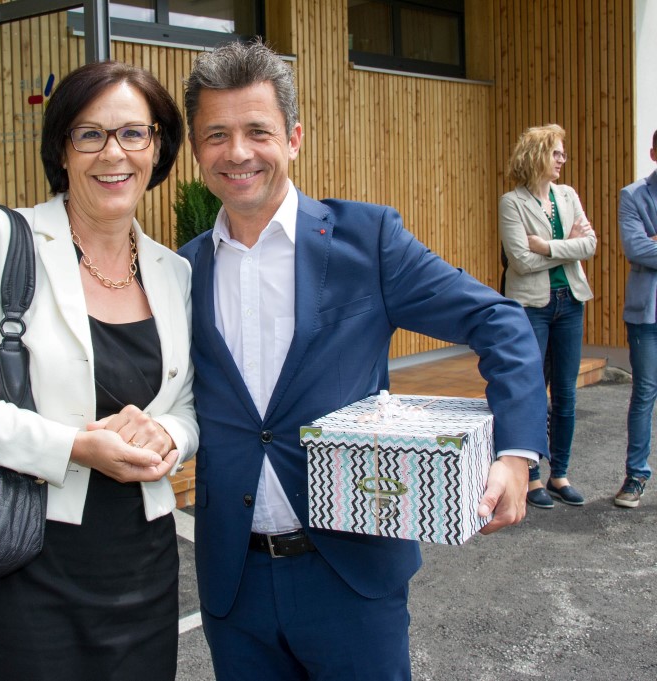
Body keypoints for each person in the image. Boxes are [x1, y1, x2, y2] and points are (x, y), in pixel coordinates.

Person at [177, 40, 547, 680]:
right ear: (196, 148)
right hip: (233, 585)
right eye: (217, 135)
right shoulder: (182, 270)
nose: (237, 152)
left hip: (350, 576)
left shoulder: (366, 242)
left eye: (257, 131)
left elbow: (499, 321)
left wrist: (516, 454)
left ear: (294, 139)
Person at [0, 61, 197, 681]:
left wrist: (169, 434)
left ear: (158, 147)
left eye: (133, 133)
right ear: (62, 149)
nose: (113, 153)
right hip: (24, 559)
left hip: (144, 565)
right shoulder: (3, 239)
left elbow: (187, 406)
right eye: (89, 134)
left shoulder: (174, 272)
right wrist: (72, 448)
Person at [499, 124, 597, 509]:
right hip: (532, 306)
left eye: (562, 153)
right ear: (537, 155)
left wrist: (547, 246)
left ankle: (560, 474)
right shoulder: (512, 202)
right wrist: (566, 247)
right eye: (556, 153)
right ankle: (532, 476)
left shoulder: (568, 195)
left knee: (567, 392)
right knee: (533, 391)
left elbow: (589, 244)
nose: (562, 160)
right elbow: (520, 262)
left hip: (571, 301)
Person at [614, 129, 657, 508]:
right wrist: (648, 243)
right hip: (647, 315)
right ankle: (636, 476)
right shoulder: (633, 195)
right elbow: (637, 248)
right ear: (653, 153)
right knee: (644, 392)